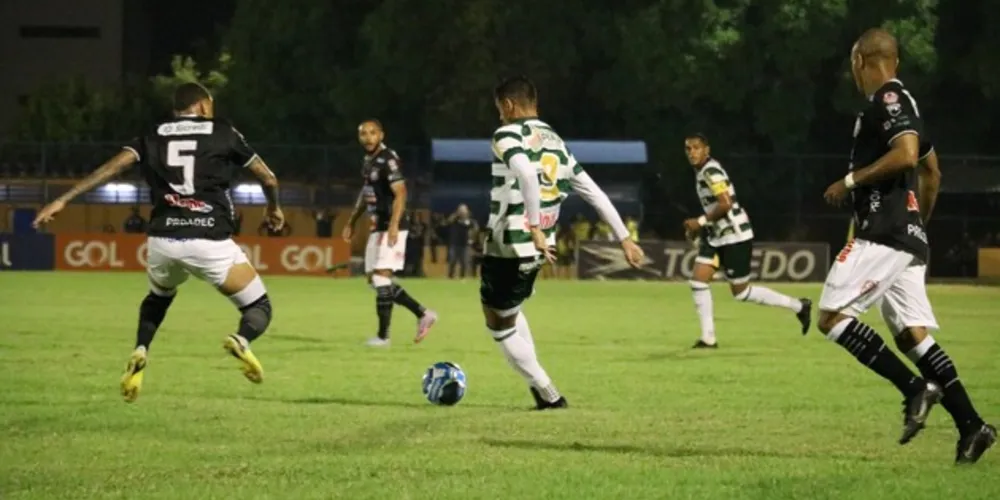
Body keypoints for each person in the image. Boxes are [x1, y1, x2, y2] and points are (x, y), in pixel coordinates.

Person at [32, 82, 283, 402]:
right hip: (208, 238)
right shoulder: (222, 131)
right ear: (204, 107)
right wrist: (274, 208)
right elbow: (269, 178)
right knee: (258, 307)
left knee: (159, 297)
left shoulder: (152, 134)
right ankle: (242, 340)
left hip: (162, 240)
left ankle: (141, 349)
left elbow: (112, 167)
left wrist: (63, 200)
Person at [819, 28, 994, 463]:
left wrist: (850, 180)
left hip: (884, 230)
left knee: (831, 317)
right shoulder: (908, 104)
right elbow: (932, 172)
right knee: (914, 338)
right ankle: (972, 426)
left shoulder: (888, 101)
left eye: (853, 65)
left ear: (861, 61)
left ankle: (915, 387)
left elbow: (906, 154)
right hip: (906, 234)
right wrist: (920, 229)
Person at [483, 75, 645, 410]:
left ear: (509, 105)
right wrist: (625, 238)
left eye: (500, 108)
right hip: (542, 245)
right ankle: (542, 391)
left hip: (512, 241)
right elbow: (594, 193)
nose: (500, 115)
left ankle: (548, 393)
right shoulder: (555, 141)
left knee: (497, 321)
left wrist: (532, 225)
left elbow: (526, 173)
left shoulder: (506, 134)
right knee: (511, 312)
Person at [682, 133, 812, 348]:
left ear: (707, 150)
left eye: (696, 147)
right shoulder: (702, 171)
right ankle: (708, 338)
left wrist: (700, 221)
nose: (692, 152)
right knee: (697, 281)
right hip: (716, 236)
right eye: (688, 148)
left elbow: (725, 204)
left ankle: (799, 306)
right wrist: (702, 226)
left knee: (741, 293)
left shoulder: (711, 171)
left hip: (735, 236)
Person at [342, 119, 437, 347]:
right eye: (363, 133)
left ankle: (383, 337)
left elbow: (401, 193)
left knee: (380, 278)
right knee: (374, 280)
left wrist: (394, 225)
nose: (368, 137)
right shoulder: (368, 161)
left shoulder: (388, 159)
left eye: (372, 133)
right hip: (378, 225)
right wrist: (352, 221)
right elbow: (366, 194)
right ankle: (423, 314)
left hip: (391, 226)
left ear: (381, 135)